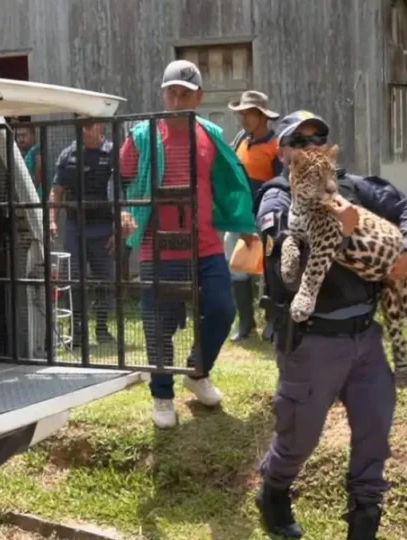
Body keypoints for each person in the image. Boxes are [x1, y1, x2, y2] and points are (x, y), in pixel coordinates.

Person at [253, 111, 407, 539]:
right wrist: (340, 234)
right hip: (314, 341)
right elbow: (283, 271)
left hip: (365, 336)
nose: (311, 145)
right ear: (284, 150)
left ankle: (364, 521)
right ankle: (273, 489)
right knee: (299, 438)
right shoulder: (277, 198)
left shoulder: (355, 187)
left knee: (374, 430)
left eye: (320, 137)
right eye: (301, 138)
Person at [117, 59, 257, 428]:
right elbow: (118, 180)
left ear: (199, 97)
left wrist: (244, 226)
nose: (177, 100)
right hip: (157, 247)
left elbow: (228, 185)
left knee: (223, 310)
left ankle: (197, 371)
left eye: (185, 93)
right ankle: (162, 396)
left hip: (206, 245)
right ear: (162, 93)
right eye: (171, 92)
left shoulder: (210, 134)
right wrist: (124, 212)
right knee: (157, 324)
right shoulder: (142, 135)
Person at [50, 117, 116, 347]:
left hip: (103, 228)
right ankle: (77, 332)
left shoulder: (112, 153)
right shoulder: (69, 155)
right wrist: (52, 221)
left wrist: (120, 225)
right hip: (75, 227)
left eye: (88, 126)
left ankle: (102, 329)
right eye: (81, 126)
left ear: (101, 127)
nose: (84, 131)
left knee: (104, 281)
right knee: (74, 280)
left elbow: (123, 189)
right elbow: (57, 191)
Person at [224, 90, 283, 342]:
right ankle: (245, 322)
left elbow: (281, 185)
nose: (243, 118)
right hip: (239, 215)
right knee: (235, 265)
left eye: (249, 113)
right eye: (241, 113)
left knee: (270, 270)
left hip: (264, 217)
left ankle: (272, 321)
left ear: (262, 116)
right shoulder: (240, 140)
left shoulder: (276, 146)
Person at [15, 124, 44, 198]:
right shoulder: (24, 154)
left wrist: (33, 189)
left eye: (24, 135)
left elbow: (40, 166)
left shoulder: (36, 150)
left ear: (33, 136)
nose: (21, 139)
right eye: (18, 136)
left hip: (38, 197)